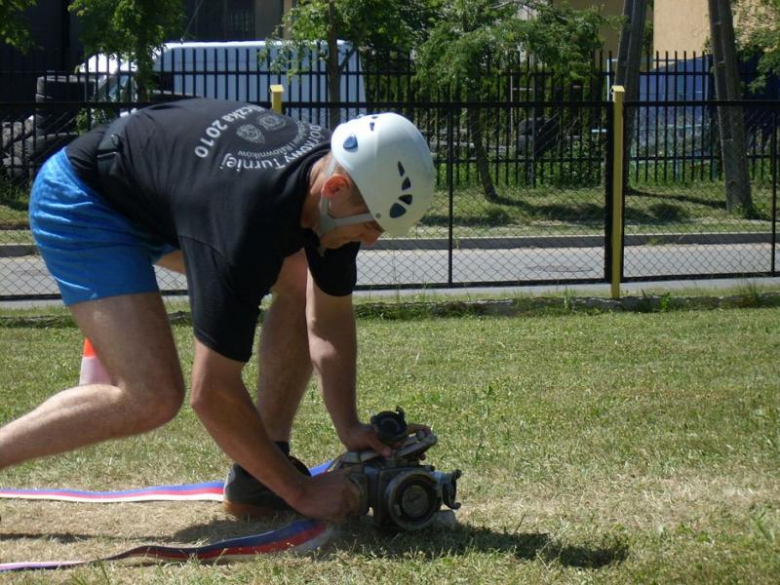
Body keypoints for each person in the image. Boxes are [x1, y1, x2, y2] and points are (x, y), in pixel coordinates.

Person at [0, 97, 436, 523]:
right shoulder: (245, 224)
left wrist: (350, 425)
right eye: (373, 225)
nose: (373, 241)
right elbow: (212, 393)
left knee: (302, 280)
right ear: (335, 189)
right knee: (150, 396)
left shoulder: (334, 185)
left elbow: (328, 323)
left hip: (163, 187)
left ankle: (258, 475)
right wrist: (302, 492)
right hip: (86, 196)